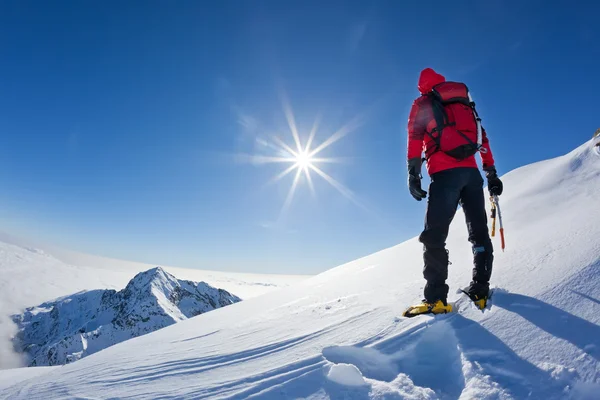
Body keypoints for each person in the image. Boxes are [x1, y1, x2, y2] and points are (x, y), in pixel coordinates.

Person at [403, 68, 503, 317]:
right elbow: (483, 139)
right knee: (479, 232)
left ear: (422, 86)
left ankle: (436, 299)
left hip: (445, 174)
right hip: (472, 176)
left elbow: (414, 136)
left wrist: (413, 173)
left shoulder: (424, 102)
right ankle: (480, 290)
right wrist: (491, 173)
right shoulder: (464, 104)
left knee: (434, 236)